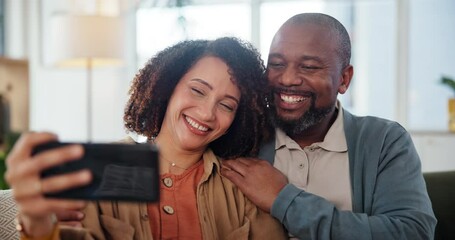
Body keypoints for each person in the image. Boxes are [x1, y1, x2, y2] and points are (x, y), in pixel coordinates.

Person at [5, 37, 287, 239]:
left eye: (226, 105)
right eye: (198, 91)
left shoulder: (243, 187)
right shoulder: (104, 168)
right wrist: (35, 220)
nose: (207, 113)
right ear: (168, 88)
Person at [221, 13, 437, 239]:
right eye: (276, 64)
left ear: (344, 79)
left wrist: (283, 199)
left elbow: (413, 233)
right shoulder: (244, 132)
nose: (287, 79)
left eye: (309, 67)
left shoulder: (383, 141)